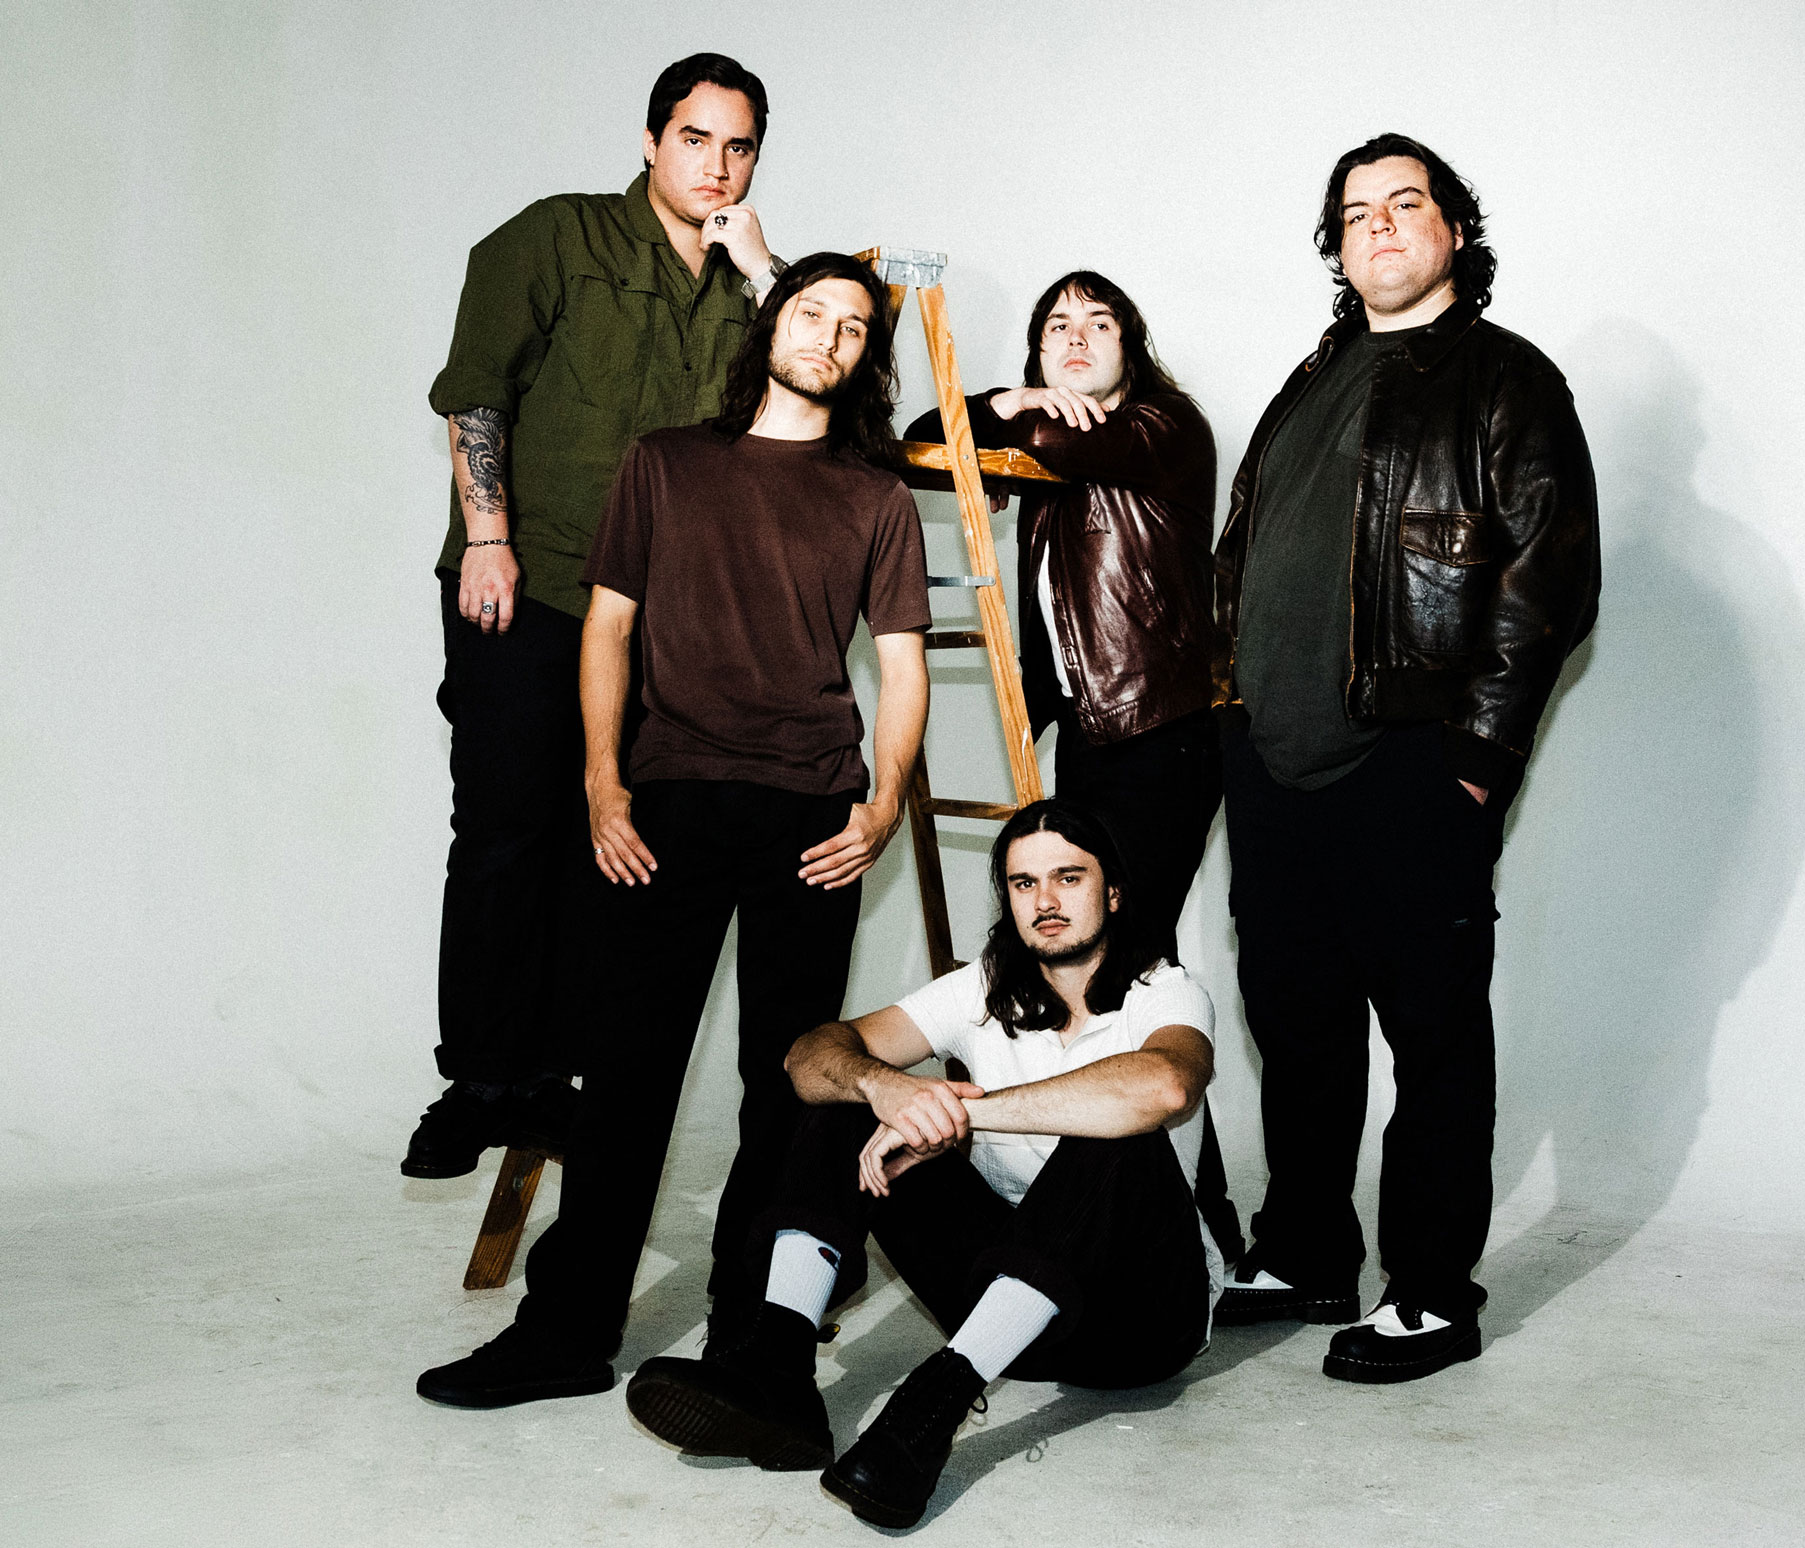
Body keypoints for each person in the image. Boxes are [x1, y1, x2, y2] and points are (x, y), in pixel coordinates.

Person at [416, 252, 933, 1409]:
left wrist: (883, 801)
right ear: (772, 326)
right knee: (625, 1080)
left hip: (811, 816)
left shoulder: (874, 496)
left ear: (865, 358)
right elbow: (607, 629)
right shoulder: (667, 461)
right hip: (669, 804)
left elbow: (901, 669)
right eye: (812, 312)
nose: (830, 336)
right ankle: (564, 1332)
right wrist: (603, 786)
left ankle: (752, 1331)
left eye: (854, 327)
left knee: (787, 1083)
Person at [1211, 134, 1600, 1380]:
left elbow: (1548, 587)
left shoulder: (1504, 381)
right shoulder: (1310, 377)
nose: (1375, 225)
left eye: (1403, 203)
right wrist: (1231, 713)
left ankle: (1431, 1289)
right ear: (1335, 246)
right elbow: (1245, 561)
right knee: (1297, 1021)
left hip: (1408, 761)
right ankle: (1307, 1252)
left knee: (1431, 1037)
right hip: (1271, 764)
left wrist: (1475, 760)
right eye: (1353, 212)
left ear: (1451, 231)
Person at [621, 800, 1222, 1529]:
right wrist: (891, 1089)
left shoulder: (1165, 991)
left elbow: (1164, 1085)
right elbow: (807, 1055)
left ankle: (927, 1413)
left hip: (1140, 1322)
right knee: (847, 1094)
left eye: (1069, 877)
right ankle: (777, 1366)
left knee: (1115, 1130)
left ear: (1113, 893)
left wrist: (958, 1111)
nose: (1048, 901)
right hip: (1010, 1311)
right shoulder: (983, 986)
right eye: (1025, 884)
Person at [406, 52, 787, 1179]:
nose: (715, 165)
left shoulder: (749, 284)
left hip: (656, 616)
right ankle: (478, 1079)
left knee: (609, 837)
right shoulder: (555, 237)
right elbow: (479, 390)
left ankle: (557, 1078)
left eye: (738, 146)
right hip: (526, 581)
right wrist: (487, 536)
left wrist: (767, 278)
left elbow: (824, 396)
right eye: (693, 138)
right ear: (649, 140)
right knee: (503, 826)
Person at [905, 271, 1244, 1262]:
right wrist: (1004, 404)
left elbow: (1070, 438)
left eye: (1098, 323)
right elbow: (932, 438)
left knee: (1127, 972)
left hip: (1162, 728)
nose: (1075, 335)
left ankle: (1186, 1222)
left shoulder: (1161, 427)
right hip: (1091, 734)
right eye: (1056, 325)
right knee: (1111, 977)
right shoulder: (1038, 431)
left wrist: (1023, 410)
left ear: (1130, 351)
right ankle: (1162, 1210)